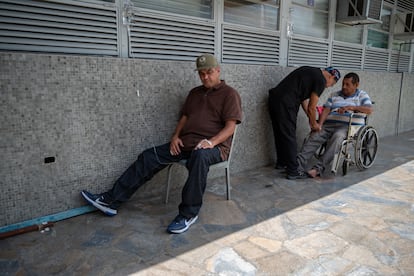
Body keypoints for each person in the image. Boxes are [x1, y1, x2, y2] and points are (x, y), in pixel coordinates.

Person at [81, 54, 242, 234]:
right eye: (201, 74)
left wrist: (210, 142)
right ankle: (111, 200)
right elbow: (185, 117)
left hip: (214, 148)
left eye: (209, 72)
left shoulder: (230, 94)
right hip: (186, 144)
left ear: (218, 70)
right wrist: (175, 136)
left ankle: (188, 214)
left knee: (199, 157)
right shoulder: (194, 93)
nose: (205, 77)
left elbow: (230, 127)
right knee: (149, 156)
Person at [268, 66, 341, 180]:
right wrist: (313, 124)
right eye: (332, 84)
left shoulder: (311, 72)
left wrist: (309, 116)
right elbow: (312, 107)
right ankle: (293, 170)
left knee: (280, 132)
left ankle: (282, 162)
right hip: (286, 102)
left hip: (275, 98)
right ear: (331, 76)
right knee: (289, 134)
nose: (329, 86)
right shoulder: (320, 80)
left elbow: (304, 100)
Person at [297, 72, 373, 178]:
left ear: (356, 85)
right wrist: (319, 124)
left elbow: (369, 110)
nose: (344, 87)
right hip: (329, 124)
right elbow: (326, 109)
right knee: (315, 135)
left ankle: (318, 168)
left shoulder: (362, 95)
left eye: (347, 84)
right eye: (343, 84)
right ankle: (297, 165)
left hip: (348, 127)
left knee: (338, 137)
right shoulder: (334, 95)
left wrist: (351, 107)